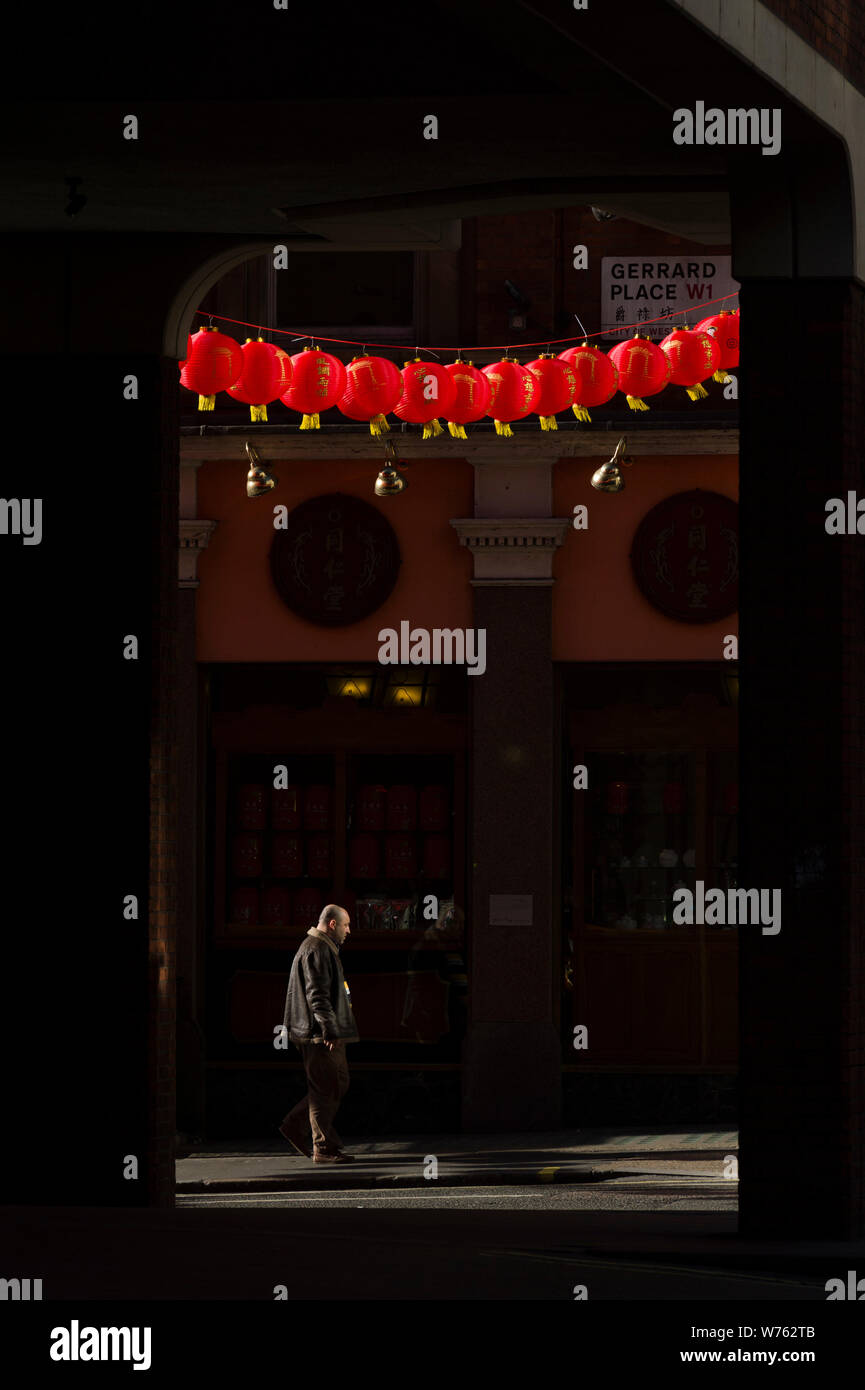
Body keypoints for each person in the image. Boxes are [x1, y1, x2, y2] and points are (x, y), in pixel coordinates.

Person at [278, 904, 359, 1164]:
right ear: (332, 924)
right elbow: (317, 994)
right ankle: (322, 1147)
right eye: (346, 925)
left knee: (335, 1083)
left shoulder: (322, 947)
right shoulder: (317, 948)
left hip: (322, 1031)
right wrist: (330, 1029)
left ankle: (300, 1127)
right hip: (318, 1035)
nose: (349, 930)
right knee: (327, 1086)